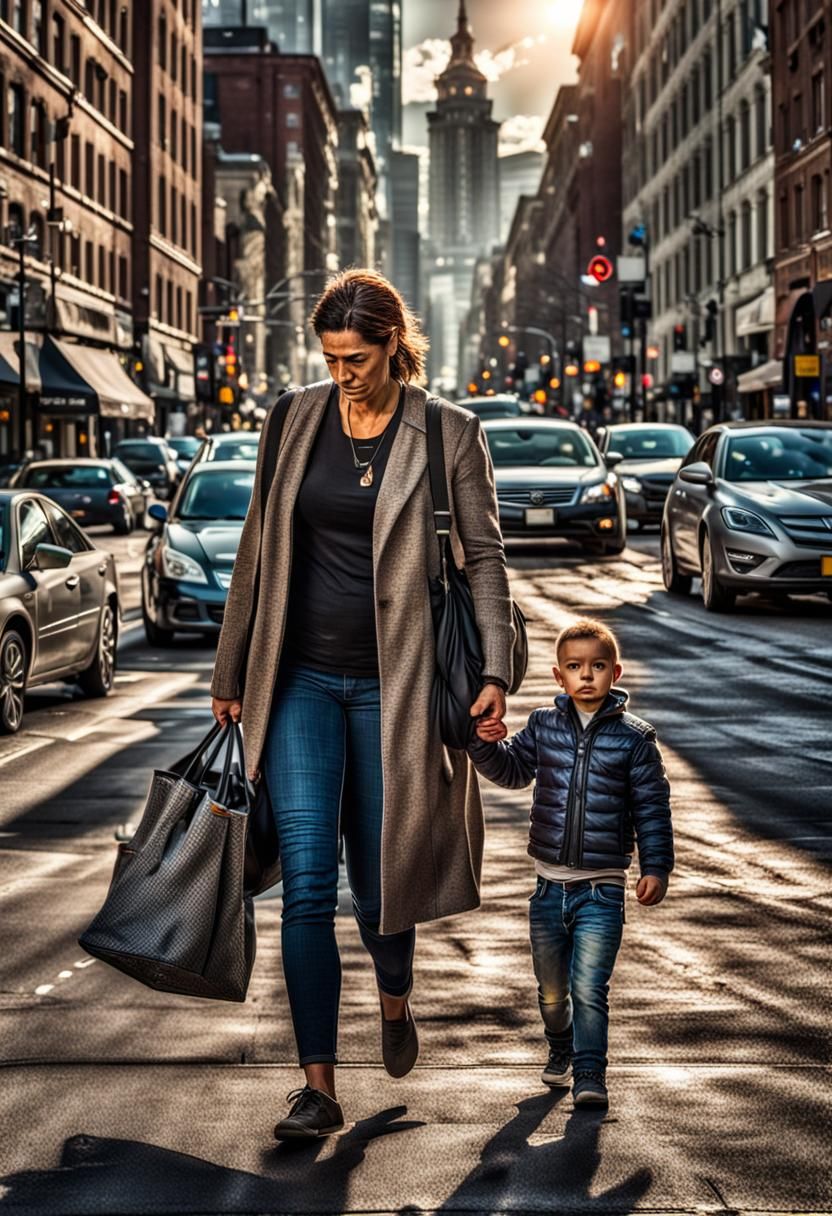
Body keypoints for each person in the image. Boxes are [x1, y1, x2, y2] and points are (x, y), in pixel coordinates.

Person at [210, 268, 516, 1140]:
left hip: (400, 686)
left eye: (359, 357)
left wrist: (495, 667)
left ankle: (393, 1003)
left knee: (382, 884)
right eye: (331, 356)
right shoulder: (292, 418)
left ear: (394, 345)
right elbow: (257, 548)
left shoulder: (448, 433)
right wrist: (231, 671)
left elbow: (484, 561)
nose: (344, 373)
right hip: (299, 678)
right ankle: (318, 1087)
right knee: (307, 883)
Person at [469, 618, 674, 1108]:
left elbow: (652, 807)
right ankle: (559, 1046)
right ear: (559, 677)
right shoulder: (543, 726)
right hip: (547, 890)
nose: (588, 676)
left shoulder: (635, 740)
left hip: (601, 890)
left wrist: (656, 866)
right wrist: (483, 742)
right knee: (552, 991)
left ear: (615, 673)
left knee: (589, 988)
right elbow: (514, 770)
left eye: (598, 667)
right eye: (576, 667)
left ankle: (590, 1074)